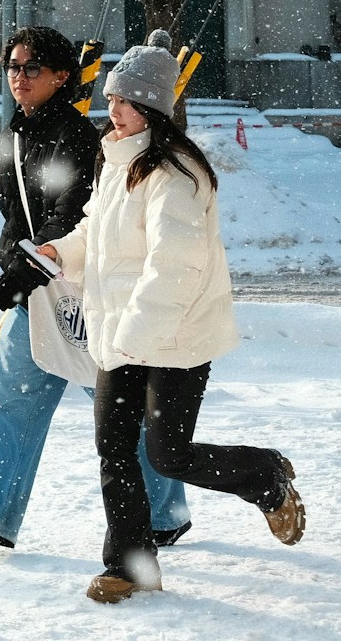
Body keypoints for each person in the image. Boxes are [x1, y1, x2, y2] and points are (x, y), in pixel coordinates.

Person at [39, 36, 306, 603]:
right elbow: (97, 230)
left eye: (127, 102)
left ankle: (265, 476)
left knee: (168, 453)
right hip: (123, 335)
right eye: (110, 99)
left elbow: (173, 268)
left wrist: (135, 333)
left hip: (177, 337)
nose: (113, 111)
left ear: (155, 109)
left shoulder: (177, 174)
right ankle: (130, 565)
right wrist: (65, 252)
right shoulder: (118, 161)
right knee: (114, 450)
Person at [0, 27, 190, 551]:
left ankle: (165, 512)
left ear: (61, 76)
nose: (18, 77)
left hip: (78, 295)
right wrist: (15, 263)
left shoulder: (79, 137)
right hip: (32, 292)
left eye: (32, 68)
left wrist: (29, 266)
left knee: (119, 413)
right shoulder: (8, 137)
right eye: (13, 66)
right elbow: (16, 215)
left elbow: (72, 215)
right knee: (13, 401)